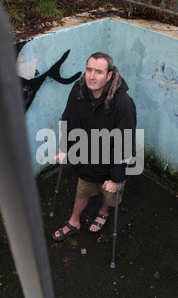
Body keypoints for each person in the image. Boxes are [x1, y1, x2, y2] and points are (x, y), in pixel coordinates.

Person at [52, 52, 137, 241]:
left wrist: (116, 178)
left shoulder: (123, 104)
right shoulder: (78, 90)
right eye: (89, 70)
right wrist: (64, 147)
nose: (91, 76)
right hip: (87, 157)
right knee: (82, 189)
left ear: (109, 76)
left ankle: (103, 212)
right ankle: (74, 221)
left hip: (111, 161)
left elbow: (124, 143)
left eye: (99, 71)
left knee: (109, 196)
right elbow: (68, 118)